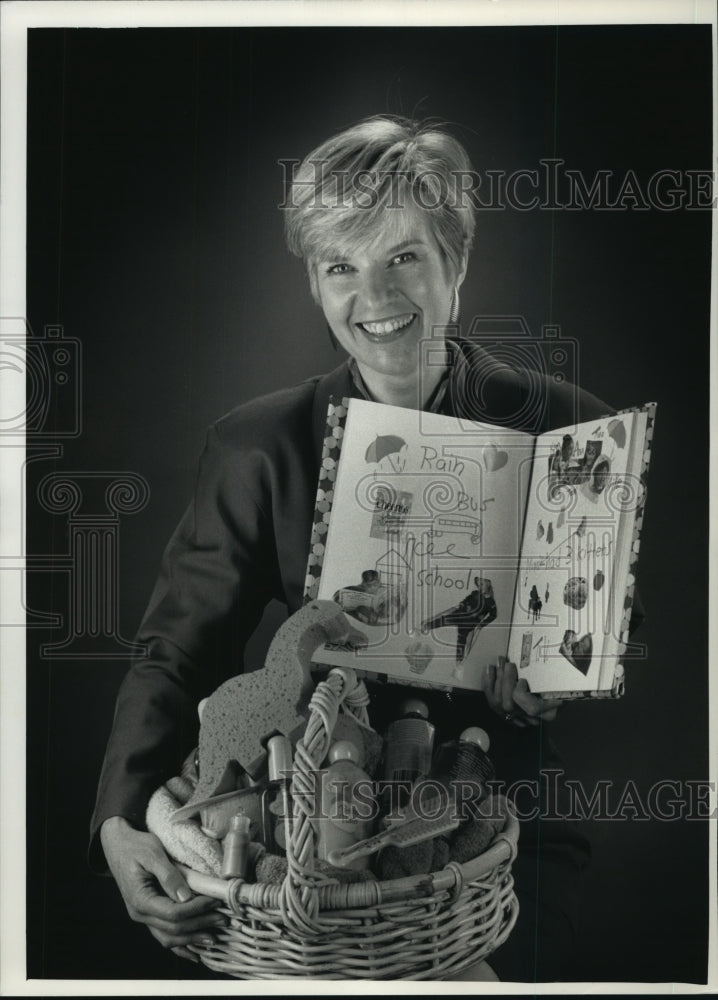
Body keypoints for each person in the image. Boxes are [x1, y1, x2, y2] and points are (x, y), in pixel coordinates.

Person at [91, 115, 640, 980]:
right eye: (341, 266)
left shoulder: (567, 429)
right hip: (293, 834)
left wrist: (545, 687)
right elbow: (176, 653)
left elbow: (588, 639)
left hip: (498, 835)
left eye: (405, 257)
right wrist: (122, 822)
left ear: (456, 264)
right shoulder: (258, 446)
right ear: (314, 284)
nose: (374, 297)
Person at [421, 576, 497, 662]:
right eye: (478, 585)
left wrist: (482, 624)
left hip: (469, 624)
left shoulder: (491, 602)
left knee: (461, 641)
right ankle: (426, 626)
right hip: (460, 614)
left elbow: (493, 615)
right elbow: (465, 600)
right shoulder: (475, 593)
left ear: (488, 584)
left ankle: (459, 662)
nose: (480, 587)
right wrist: (463, 604)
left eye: (482, 584)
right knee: (444, 619)